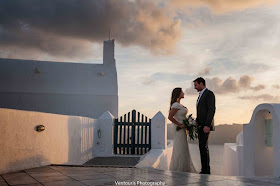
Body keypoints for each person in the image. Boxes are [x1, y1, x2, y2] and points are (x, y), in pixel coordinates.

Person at [168, 87, 196, 173]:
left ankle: (184, 168)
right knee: (180, 147)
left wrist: (189, 122)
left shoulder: (179, 105)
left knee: (183, 147)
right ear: (178, 94)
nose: (183, 93)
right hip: (179, 129)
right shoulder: (176, 105)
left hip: (183, 129)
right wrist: (180, 124)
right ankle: (178, 168)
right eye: (182, 92)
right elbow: (170, 117)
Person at [193, 77, 216, 174]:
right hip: (200, 126)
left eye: (196, 85)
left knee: (204, 147)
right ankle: (204, 169)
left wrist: (207, 125)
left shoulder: (209, 94)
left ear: (201, 83)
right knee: (202, 147)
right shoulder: (200, 95)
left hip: (205, 126)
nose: (195, 87)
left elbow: (211, 110)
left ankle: (206, 170)